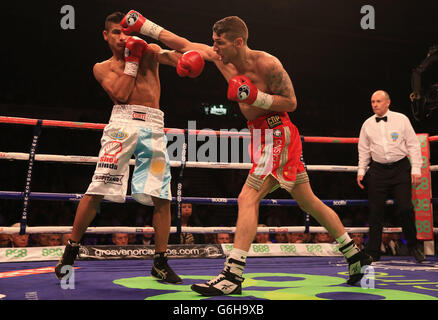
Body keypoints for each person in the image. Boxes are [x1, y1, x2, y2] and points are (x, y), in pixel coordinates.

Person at [121, 11, 373, 296]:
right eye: (213, 43)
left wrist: (256, 97)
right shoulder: (220, 59)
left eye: (219, 43)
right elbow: (182, 43)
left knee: (247, 197)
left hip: (278, 133)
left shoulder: (268, 64)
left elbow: (291, 102)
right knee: (309, 202)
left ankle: (233, 274)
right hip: (262, 136)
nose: (214, 48)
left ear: (238, 42)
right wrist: (143, 26)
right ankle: (356, 256)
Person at [55, 12, 204, 284]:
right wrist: (132, 61)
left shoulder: (148, 51)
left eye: (125, 32)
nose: (122, 38)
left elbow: (177, 55)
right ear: (106, 35)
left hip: (154, 126)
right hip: (122, 124)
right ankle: (71, 250)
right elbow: (121, 94)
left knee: (162, 195)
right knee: (98, 187)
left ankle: (160, 262)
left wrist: (185, 62)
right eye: (115, 33)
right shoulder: (102, 67)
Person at [357, 90, 426, 263]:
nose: (375, 104)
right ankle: (373, 251)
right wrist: (361, 171)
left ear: (388, 102)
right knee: (375, 212)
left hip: (400, 168)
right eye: (372, 101)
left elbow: (413, 144)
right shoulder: (367, 124)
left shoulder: (401, 119)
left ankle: (414, 246)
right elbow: (363, 149)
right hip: (378, 170)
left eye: (378, 101)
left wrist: (416, 168)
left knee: (405, 208)